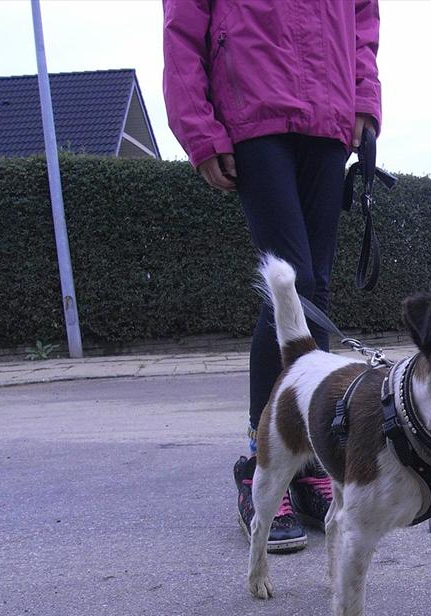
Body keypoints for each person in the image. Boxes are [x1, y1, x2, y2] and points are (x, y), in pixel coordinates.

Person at [162, 0, 382, 552]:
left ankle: (309, 456)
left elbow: (363, 22)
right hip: (255, 111)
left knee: (316, 286)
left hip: (328, 117)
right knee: (292, 283)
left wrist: (365, 101)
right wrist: (199, 129)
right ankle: (263, 460)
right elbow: (182, 33)